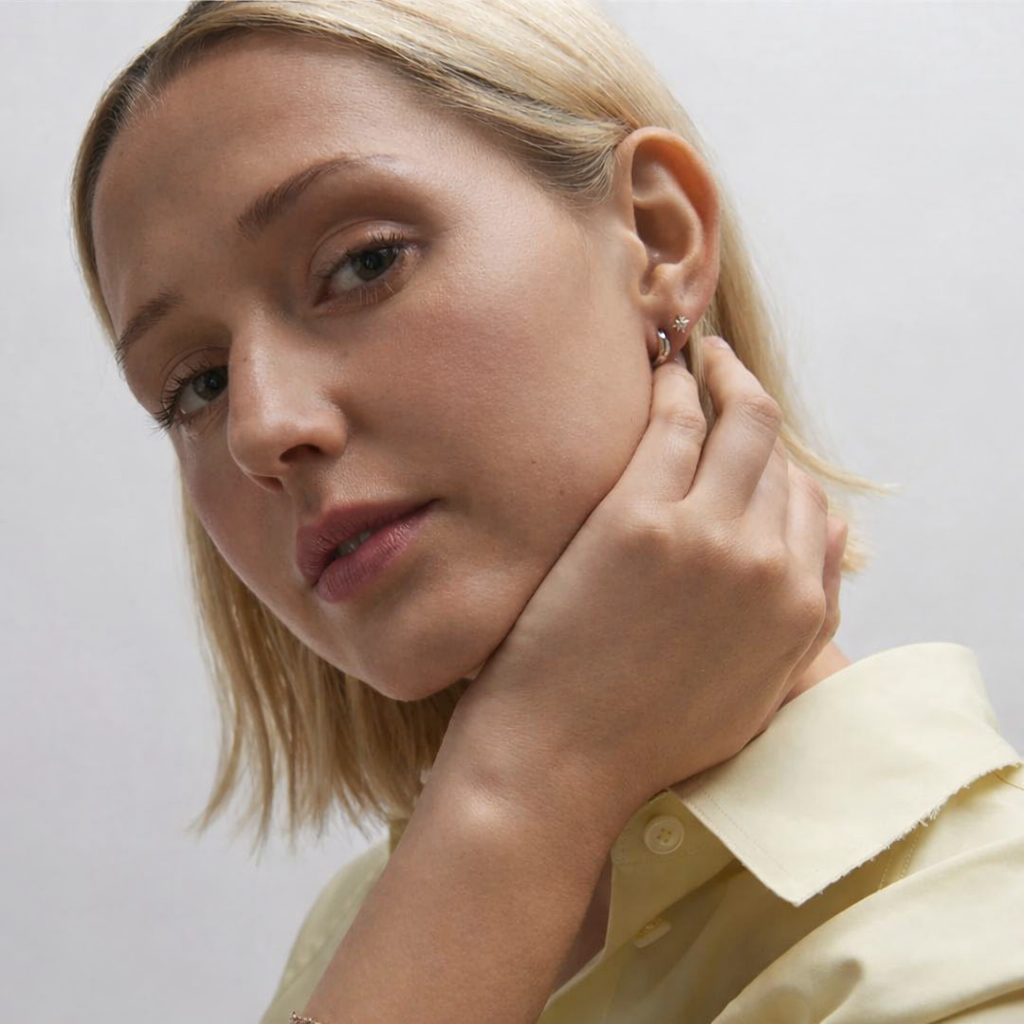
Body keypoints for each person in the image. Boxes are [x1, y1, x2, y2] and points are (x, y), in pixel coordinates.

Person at [70, 1, 1024, 1022]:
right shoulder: (375, 918)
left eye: (362, 262)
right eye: (196, 385)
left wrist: (525, 787)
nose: (262, 426)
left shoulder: (976, 938)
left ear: (657, 239)